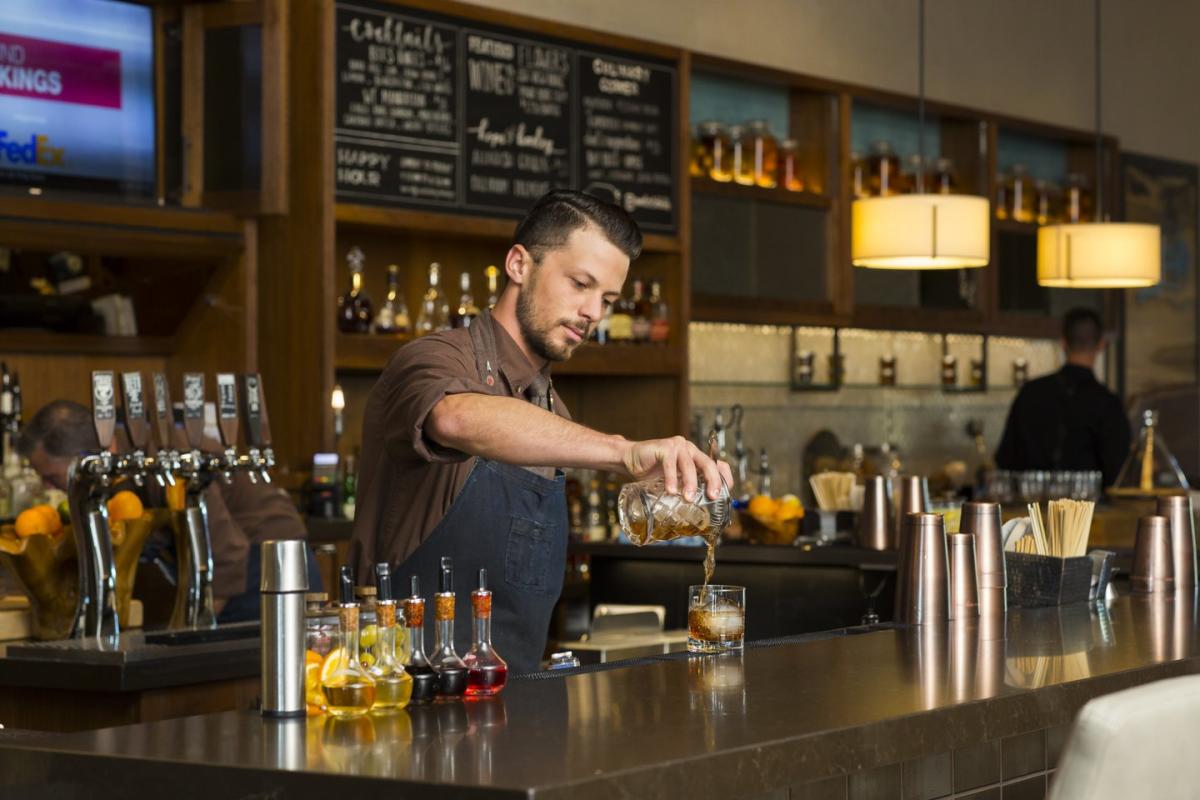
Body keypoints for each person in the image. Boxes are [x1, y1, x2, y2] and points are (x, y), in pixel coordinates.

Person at [350, 190, 731, 673]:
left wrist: (676, 490)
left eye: (607, 299)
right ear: (518, 265)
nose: (594, 311)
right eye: (580, 284)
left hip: (514, 702)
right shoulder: (433, 358)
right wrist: (623, 452)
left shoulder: (551, 408)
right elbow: (457, 418)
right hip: (406, 697)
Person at [17, 399, 313, 622]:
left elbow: (226, 553)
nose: (50, 488)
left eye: (54, 478)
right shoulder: (115, 471)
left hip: (269, 562)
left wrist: (192, 632)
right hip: (228, 567)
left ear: (98, 452)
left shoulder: (162, 459)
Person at [995, 307, 1131, 487]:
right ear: (1101, 345)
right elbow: (1119, 471)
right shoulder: (1108, 404)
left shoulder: (1030, 393)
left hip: (1029, 508)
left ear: (1063, 343)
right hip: (1089, 512)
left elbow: (1005, 459)